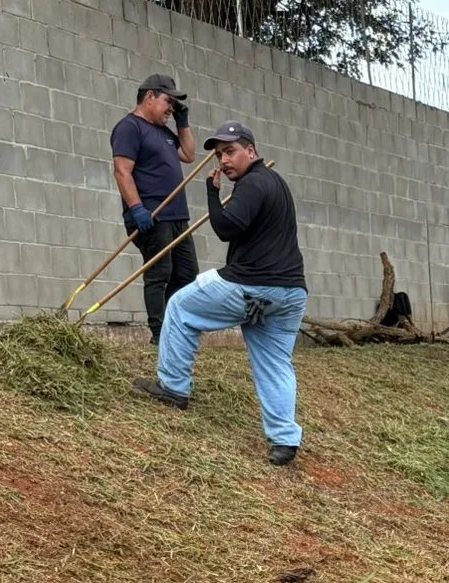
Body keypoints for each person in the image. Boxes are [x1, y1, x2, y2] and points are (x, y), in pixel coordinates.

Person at [133, 121, 309, 467]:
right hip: (290, 294)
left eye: (230, 151)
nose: (224, 160)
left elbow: (226, 228)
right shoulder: (275, 183)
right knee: (274, 363)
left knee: (181, 306)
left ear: (252, 152)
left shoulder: (253, 183)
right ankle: (285, 440)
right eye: (219, 154)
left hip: (250, 286)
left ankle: (173, 388)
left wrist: (212, 194)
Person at [110, 73, 197, 345]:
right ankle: (160, 334)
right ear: (149, 97)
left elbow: (189, 154)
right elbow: (122, 171)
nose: (171, 108)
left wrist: (182, 122)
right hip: (152, 215)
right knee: (160, 272)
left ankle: (172, 324)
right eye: (168, 101)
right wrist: (137, 209)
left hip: (177, 216)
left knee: (186, 273)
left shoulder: (163, 131)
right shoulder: (129, 127)